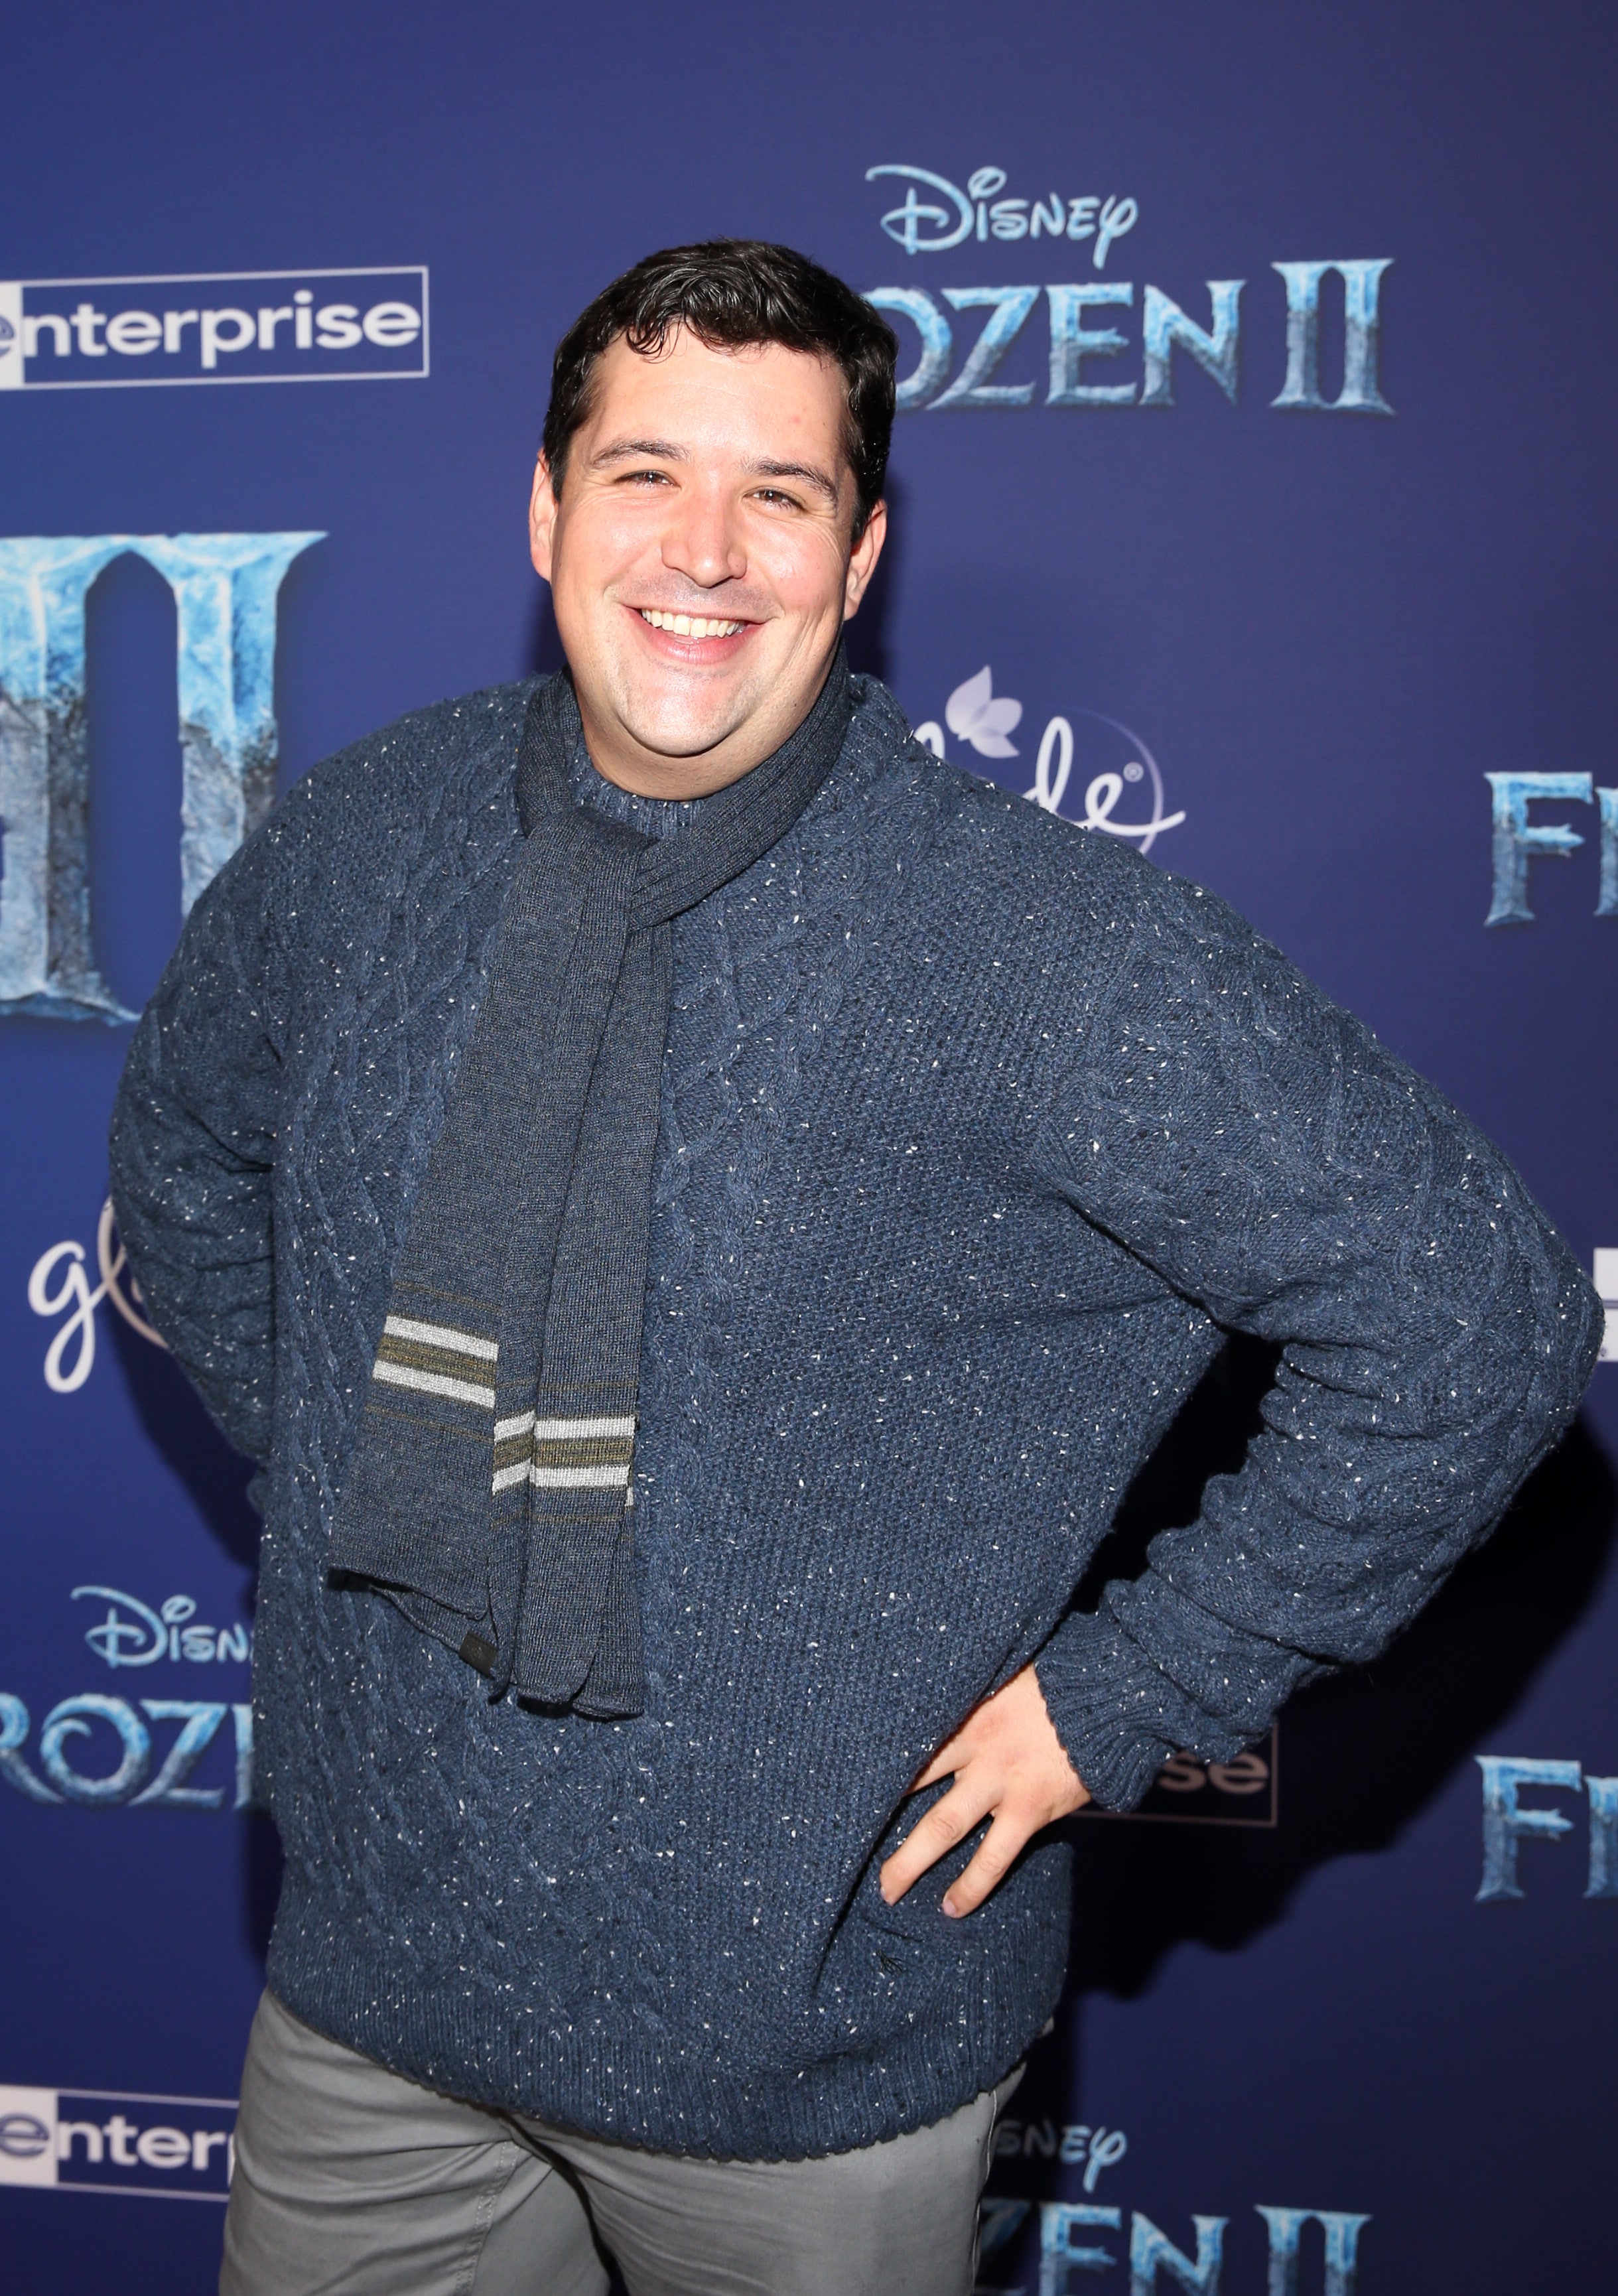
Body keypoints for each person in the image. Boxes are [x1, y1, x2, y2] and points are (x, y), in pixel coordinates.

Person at [109, 240, 1599, 2296]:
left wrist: (1132, 1691)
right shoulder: (371, 838)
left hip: (803, 2069)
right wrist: (348, 1459)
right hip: (372, 1989)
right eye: (644, 474)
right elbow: (185, 1150)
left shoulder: (1041, 949)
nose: (703, 551)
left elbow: (1476, 1310)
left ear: (860, 552)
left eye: (780, 494)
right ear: (544, 507)